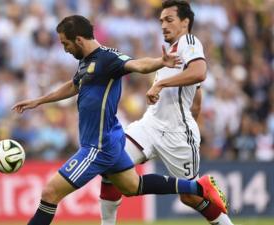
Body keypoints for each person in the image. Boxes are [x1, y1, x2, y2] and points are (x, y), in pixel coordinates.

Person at [12, 15, 226, 225]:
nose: (64, 48)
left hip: (98, 147)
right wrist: (39, 101)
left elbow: (137, 65)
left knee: (50, 192)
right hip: (111, 141)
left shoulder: (108, 58)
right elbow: (73, 85)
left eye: (65, 43)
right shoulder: (85, 62)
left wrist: (161, 62)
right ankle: (199, 187)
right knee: (133, 186)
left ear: (78, 39)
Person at [99, 1, 234, 225]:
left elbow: (199, 73)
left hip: (177, 134)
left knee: (190, 196)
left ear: (185, 22)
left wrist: (161, 86)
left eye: (169, 20)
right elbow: (197, 94)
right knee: (110, 162)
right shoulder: (171, 53)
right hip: (149, 126)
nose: (163, 25)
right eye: (161, 20)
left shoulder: (189, 41)